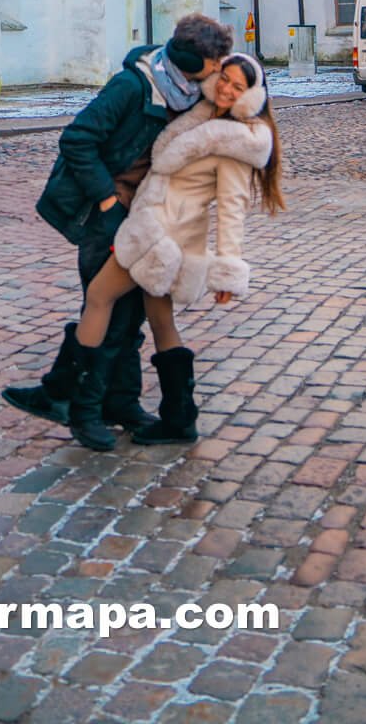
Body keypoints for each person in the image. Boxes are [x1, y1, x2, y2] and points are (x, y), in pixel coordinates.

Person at [2, 13, 232, 439]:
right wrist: (108, 200)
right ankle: (82, 409)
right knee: (108, 309)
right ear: (187, 59)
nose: (219, 70)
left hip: (147, 222)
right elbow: (77, 139)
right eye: (213, 62)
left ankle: (107, 400)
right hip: (104, 215)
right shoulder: (133, 86)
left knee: (130, 318)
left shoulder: (190, 97)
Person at [69, 52, 284, 450]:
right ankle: (179, 418)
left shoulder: (238, 141)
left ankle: (80, 408)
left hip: (161, 238)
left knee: (99, 297)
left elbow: (233, 209)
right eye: (225, 79)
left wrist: (227, 271)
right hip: (163, 234)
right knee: (161, 322)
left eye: (238, 86)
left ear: (251, 96)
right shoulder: (203, 116)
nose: (227, 89)